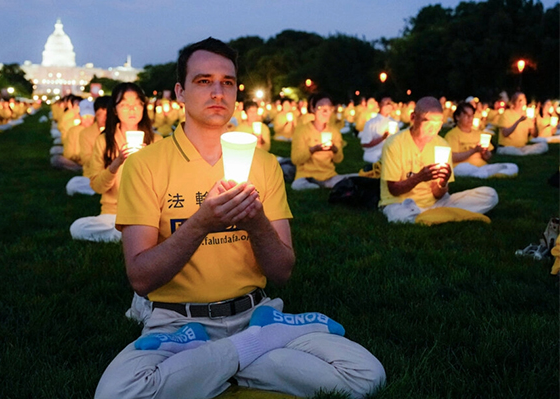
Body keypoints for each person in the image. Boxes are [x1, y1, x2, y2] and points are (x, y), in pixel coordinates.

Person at [95, 38, 385, 399]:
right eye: (203, 81)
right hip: (177, 322)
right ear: (180, 92)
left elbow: (282, 272)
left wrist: (256, 221)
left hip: (254, 311)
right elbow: (140, 278)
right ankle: (255, 348)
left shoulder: (263, 163)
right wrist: (201, 223)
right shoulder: (145, 165)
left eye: (227, 82)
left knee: (366, 375)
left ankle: (209, 364)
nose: (218, 91)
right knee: (118, 393)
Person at [378, 96, 499, 223]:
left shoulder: (442, 145)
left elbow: (438, 194)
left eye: (439, 123)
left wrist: (442, 183)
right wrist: (419, 177)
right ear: (413, 118)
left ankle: (432, 217)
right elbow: (394, 190)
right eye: (428, 122)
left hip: (436, 202)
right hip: (402, 204)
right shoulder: (395, 143)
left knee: (490, 195)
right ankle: (444, 216)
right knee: (402, 216)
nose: (434, 128)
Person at [70, 83, 159, 242]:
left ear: (143, 107)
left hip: (147, 212)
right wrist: (117, 162)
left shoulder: (157, 141)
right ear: (115, 110)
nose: (132, 109)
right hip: (113, 213)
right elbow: (97, 186)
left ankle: (130, 234)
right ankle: (128, 235)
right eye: (124, 105)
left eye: (137, 104)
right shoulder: (104, 141)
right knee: (78, 227)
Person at [290, 92, 356, 190]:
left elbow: (338, 159)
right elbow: (296, 159)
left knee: (355, 178)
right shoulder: (302, 130)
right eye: (321, 108)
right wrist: (313, 149)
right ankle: (319, 186)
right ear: (313, 109)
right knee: (297, 185)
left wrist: (334, 149)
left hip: (328, 175)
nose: (325, 112)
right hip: (306, 176)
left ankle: (323, 186)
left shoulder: (334, 131)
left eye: (329, 109)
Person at [445, 102, 517, 179]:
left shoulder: (480, 134)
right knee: (466, 168)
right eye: (466, 115)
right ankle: (489, 175)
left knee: (512, 167)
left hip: (482, 166)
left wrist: (485, 153)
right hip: (462, 166)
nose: (470, 118)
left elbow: (488, 156)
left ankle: (485, 175)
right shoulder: (452, 135)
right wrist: (474, 150)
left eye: (472, 115)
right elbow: (453, 157)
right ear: (457, 117)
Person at [66, 96, 110, 196]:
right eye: (100, 114)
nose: (104, 118)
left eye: (107, 114)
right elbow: (86, 159)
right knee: (73, 184)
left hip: (114, 175)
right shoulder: (86, 133)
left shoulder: (117, 131)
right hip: (94, 175)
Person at [359, 96, 397, 164]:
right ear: (379, 105)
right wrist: (382, 138)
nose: (389, 106)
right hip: (373, 152)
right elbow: (365, 144)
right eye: (386, 103)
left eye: (390, 103)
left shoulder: (393, 122)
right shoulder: (371, 123)